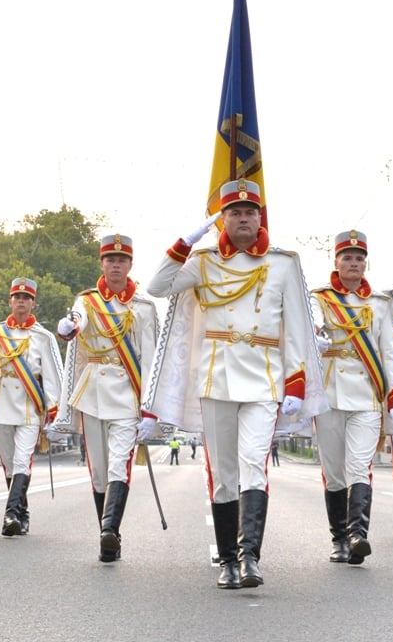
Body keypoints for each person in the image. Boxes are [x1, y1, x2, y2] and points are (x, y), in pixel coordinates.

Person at [145, 178, 326, 589]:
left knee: (253, 463)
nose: (243, 219)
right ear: (221, 221)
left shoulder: (283, 263)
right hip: (217, 375)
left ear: (260, 217)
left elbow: (297, 326)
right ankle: (226, 559)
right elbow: (157, 287)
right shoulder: (204, 261)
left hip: (265, 377)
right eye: (234, 213)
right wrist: (183, 243)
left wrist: (296, 384)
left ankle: (249, 558)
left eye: (249, 212)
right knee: (224, 473)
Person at [54, 234, 158, 562]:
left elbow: (151, 356)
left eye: (121, 260)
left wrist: (149, 407)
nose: (115, 265)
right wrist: (69, 326)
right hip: (93, 393)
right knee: (98, 469)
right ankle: (107, 530)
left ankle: (109, 530)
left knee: (118, 464)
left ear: (130, 265)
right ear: (101, 264)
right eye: (110, 260)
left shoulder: (142, 307)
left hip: (127, 393)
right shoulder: (86, 301)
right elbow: (77, 321)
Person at [310, 230, 393, 564]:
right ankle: (339, 539)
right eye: (347, 257)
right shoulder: (319, 299)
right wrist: (314, 342)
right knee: (334, 471)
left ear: (366, 263)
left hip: (366, 395)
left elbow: (391, 354)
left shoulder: (379, 304)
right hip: (329, 394)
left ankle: (357, 534)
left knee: (359, 466)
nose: (353, 263)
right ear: (336, 262)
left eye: (359, 258)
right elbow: (306, 332)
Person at [0, 277, 63, 537]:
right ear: (10, 301)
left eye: (26, 298)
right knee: (8, 461)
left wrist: (53, 411)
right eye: (17, 297)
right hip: (3, 402)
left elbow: (52, 375)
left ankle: (10, 514)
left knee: (21, 459)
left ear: (33, 303)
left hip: (30, 404)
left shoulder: (43, 336)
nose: (21, 301)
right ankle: (22, 514)